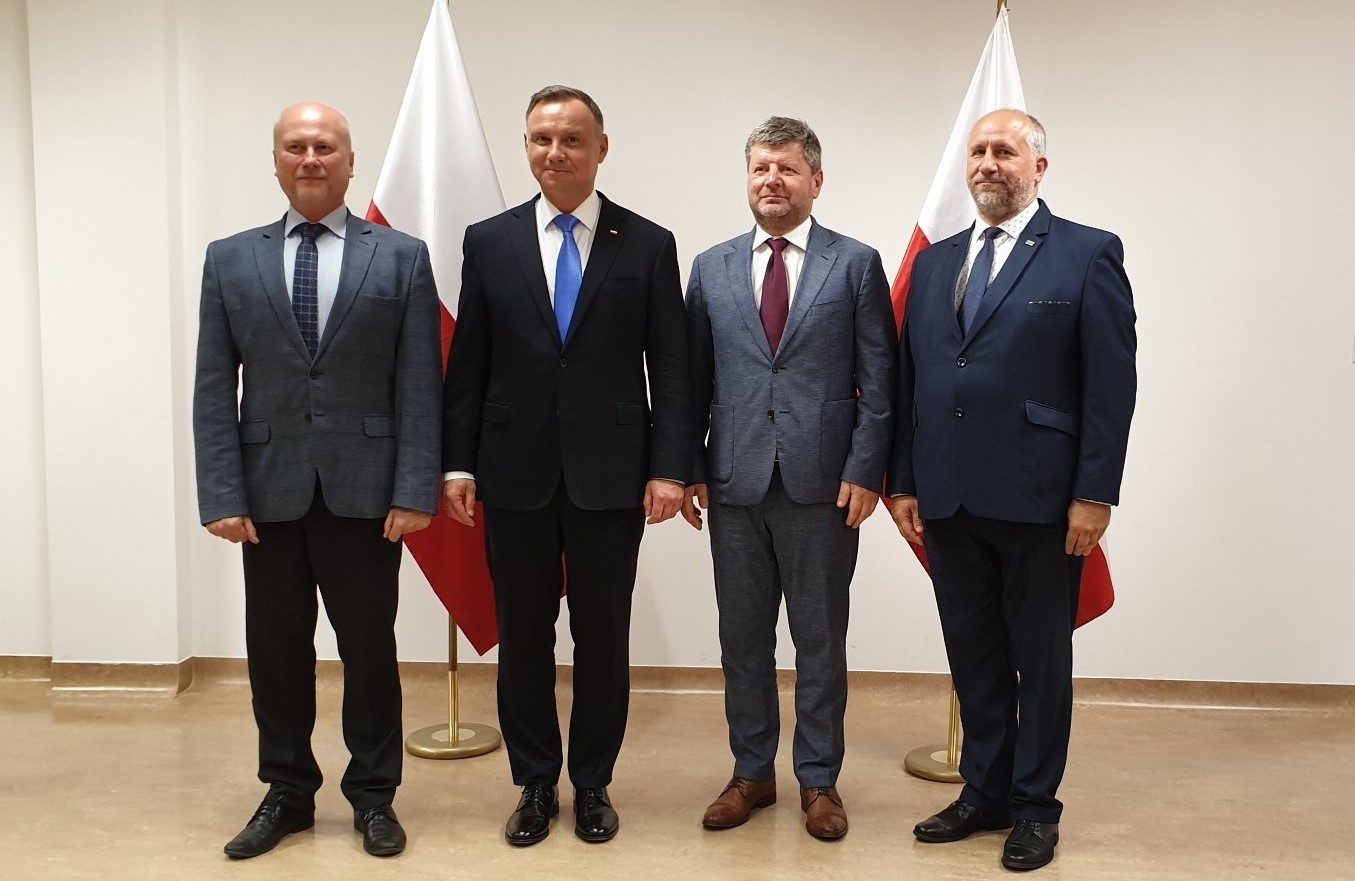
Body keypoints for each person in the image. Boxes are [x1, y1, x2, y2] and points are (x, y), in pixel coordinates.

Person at [440, 85, 690, 847]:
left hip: (611, 475)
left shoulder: (646, 243)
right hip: (511, 470)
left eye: (571, 139)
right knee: (523, 636)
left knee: (602, 637)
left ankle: (593, 782)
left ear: (600, 149)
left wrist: (669, 467)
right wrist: (456, 464)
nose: (555, 152)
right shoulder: (489, 240)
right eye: (541, 138)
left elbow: (670, 368)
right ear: (526, 146)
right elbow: (469, 362)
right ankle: (535, 781)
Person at [887, 109, 1136, 871]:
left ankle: (1034, 807)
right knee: (974, 656)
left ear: (1038, 167)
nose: (987, 162)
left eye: (1004, 150)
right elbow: (910, 382)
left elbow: (1110, 385)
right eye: (977, 150)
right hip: (947, 494)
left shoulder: (1086, 252)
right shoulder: (936, 263)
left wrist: (1093, 492)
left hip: (1040, 499)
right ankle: (984, 792)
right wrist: (903, 480)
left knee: (1039, 661)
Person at [193, 101, 442, 860]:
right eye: (296, 147)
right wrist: (221, 494)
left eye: (325, 146)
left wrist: (415, 488)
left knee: (369, 651)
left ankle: (374, 795)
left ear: (349, 161)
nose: (310, 158)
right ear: (276, 161)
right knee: (275, 651)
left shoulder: (400, 257)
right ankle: (287, 790)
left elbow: (419, 384)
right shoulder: (230, 258)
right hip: (266, 495)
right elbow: (213, 387)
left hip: (367, 493)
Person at [681, 117, 896, 841]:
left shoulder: (854, 264)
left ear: (815, 181)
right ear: (747, 178)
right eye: (760, 168)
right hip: (734, 483)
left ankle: (818, 779)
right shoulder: (709, 267)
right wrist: (687, 466)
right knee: (742, 640)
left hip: (823, 486)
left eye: (787, 168)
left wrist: (865, 469)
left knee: (819, 641)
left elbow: (880, 381)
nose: (771, 180)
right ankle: (751, 773)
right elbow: (691, 381)